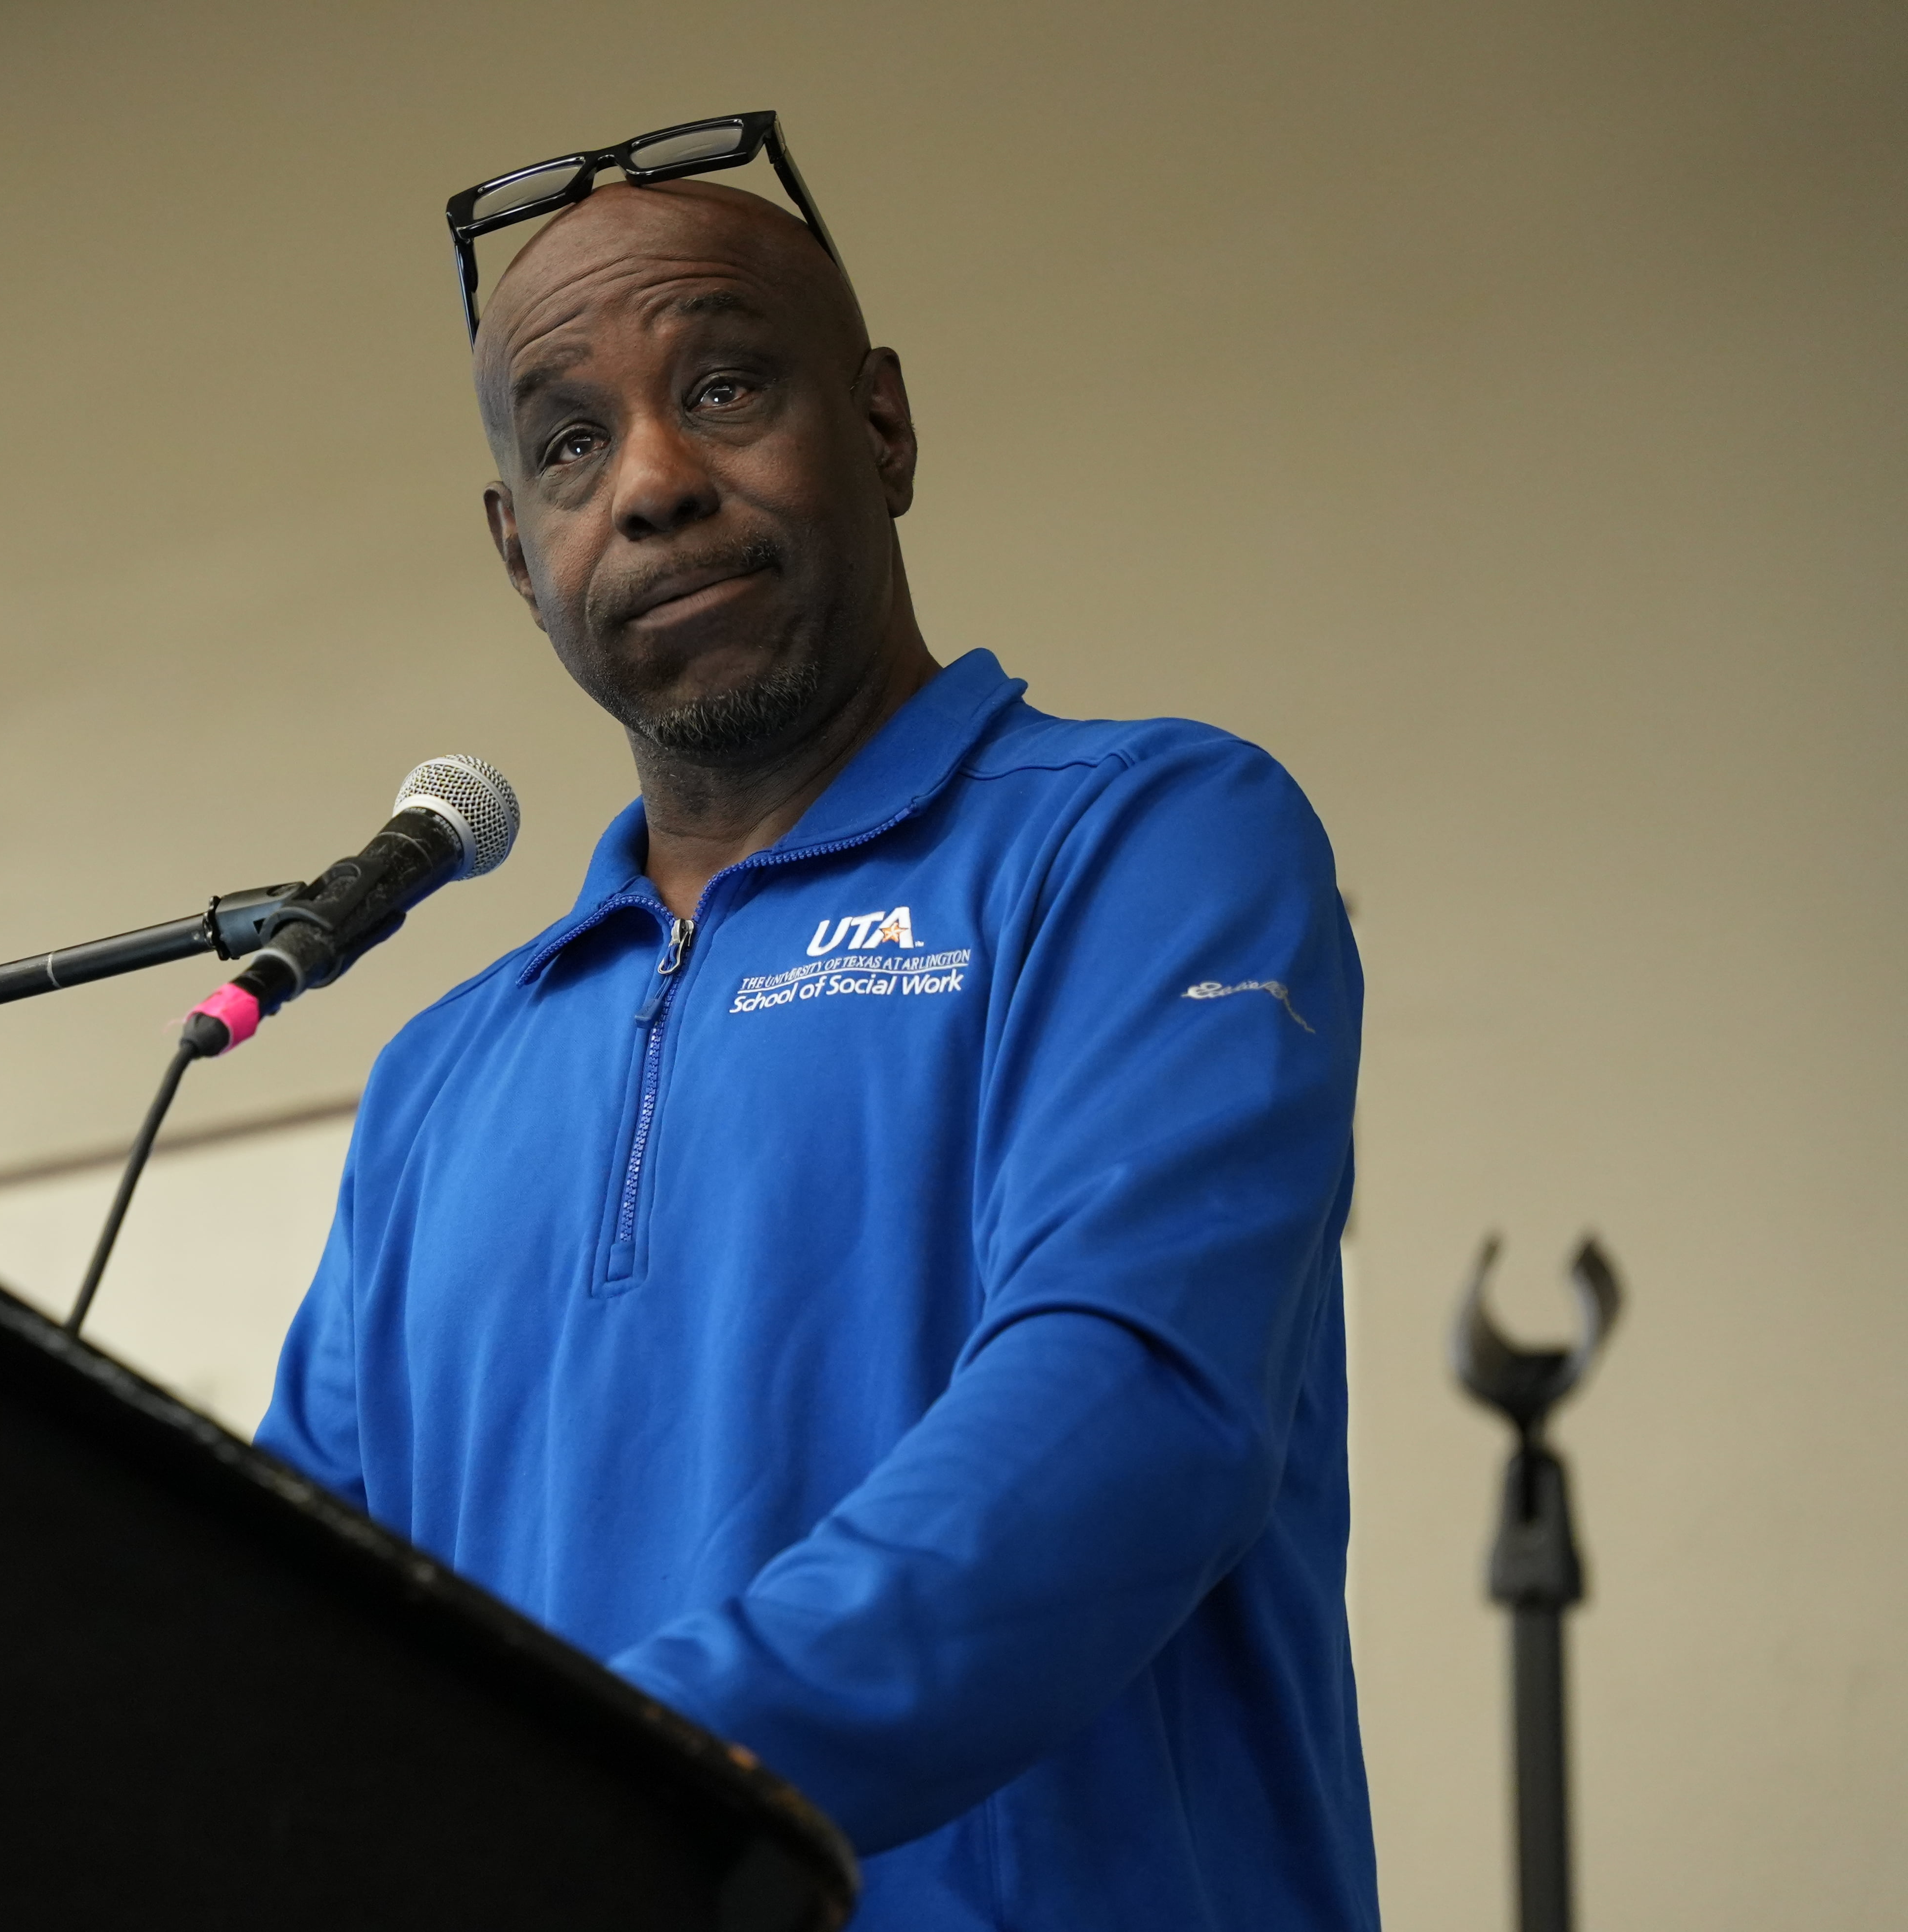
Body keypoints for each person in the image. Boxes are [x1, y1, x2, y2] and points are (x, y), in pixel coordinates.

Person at [255, 169, 1375, 1929]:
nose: (649, 485)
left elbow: (1130, 1416)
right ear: (514, 555)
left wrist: (590, 1789)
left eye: (722, 389)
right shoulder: (442, 1077)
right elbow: (285, 1636)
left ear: (884, 426)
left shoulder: (1147, 838)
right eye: (566, 448)